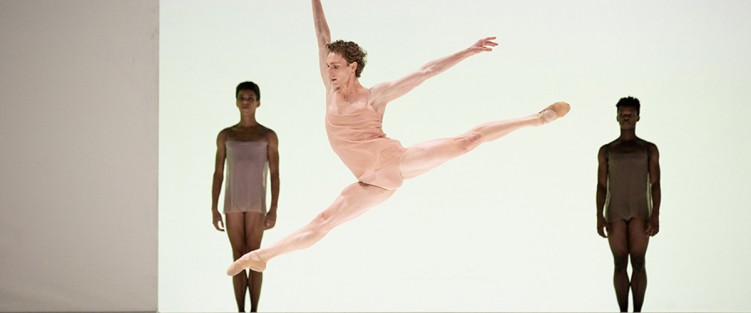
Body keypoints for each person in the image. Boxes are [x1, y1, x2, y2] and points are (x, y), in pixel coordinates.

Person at [227, 0, 569, 276]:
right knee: (321, 223)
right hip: (369, 184)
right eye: (327, 65)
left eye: (335, 66)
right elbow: (321, 34)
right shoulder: (329, 89)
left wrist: (468, 51)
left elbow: (425, 72)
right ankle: (263, 256)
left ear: (353, 68)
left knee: (467, 141)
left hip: (394, 163)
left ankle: (536, 119)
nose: (328, 71)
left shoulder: (376, 95)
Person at [212, 81, 280, 312]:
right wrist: (214, 207)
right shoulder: (226, 135)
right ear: (236, 102)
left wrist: (273, 208)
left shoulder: (267, 135)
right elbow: (219, 172)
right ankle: (240, 310)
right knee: (238, 256)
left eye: (251, 98)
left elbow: (275, 174)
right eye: (242, 97)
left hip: (256, 204)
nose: (246, 102)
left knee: (255, 257)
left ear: (258, 102)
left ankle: (254, 310)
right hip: (232, 202)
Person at [596, 96, 661, 312]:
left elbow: (655, 184)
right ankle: (623, 310)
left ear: (638, 117)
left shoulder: (648, 149)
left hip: (641, 211)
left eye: (630, 114)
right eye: (623, 114)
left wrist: (655, 215)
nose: (626, 117)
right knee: (619, 263)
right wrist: (599, 215)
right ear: (617, 117)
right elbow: (602, 186)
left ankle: (637, 311)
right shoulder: (607, 150)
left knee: (639, 262)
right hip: (615, 212)